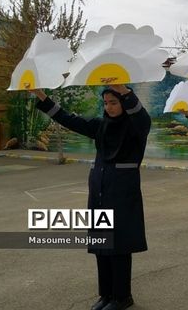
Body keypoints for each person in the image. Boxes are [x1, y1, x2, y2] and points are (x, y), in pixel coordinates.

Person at [32, 85, 150, 310]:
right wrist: (41, 96)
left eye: (114, 102)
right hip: (99, 188)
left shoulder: (136, 126)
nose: (109, 107)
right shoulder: (101, 125)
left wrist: (124, 91)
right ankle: (106, 295)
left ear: (124, 103)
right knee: (101, 244)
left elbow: (141, 116)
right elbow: (69, 119)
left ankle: (122, 297)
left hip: (122, 191)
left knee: (119, 245)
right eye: (106, 103)